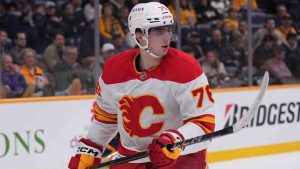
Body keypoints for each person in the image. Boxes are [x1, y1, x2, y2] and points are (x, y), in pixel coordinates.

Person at [68, 2, 215, 169]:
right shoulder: (114, 70)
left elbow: (204, 124)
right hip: (132, 159)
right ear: (139, 36)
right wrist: (89, 149)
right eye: (159, 31)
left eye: (168, 29)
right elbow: (106, 119)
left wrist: (177, 141)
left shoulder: (186, 67)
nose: (167, 37)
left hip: (179, 159)